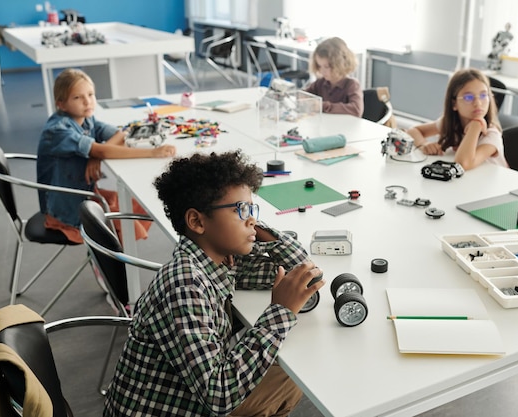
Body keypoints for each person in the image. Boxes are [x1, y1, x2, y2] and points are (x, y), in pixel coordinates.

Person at [104, 150, 325, 417]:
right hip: (177, 406)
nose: (252, 219)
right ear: (197, 221)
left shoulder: (221, 262)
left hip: (190, 393)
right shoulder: (184, 285)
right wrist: (280, 311)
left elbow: (304, 275)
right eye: (241, 210)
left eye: (252, 209)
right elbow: (219, 395)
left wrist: (260, 229)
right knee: (290, 374)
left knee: (287, 372)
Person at [37, 68, 176, 243]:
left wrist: (95, 155)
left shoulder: (87, 119)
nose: (87, 102)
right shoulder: (58, 130)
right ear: (61, 104)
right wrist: (152, 152)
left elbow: (120, 134)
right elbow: (104, 148)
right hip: (66, 211)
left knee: (137, 205)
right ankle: (109, 260)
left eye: (90, 94)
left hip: (84, 194)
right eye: (77, 97)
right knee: (123, 215)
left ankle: (111, 252)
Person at [405, 68, 508, 170]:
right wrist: (424, 144)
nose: (478, 103)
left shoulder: (491, 135)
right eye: (468, 97)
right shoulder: (452, 124)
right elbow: (413, 131)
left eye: (483, 95)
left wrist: (475, 126)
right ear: (454, 104)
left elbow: (463, 164)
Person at [304, 37, 364, 117]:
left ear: (340, 64)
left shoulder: (352, 85)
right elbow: (304, 94)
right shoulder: (320, 82)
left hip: (344, 128)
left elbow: (356, 110)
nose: (322, 71)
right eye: (319, 66)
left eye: (327, 66)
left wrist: (322, 106)